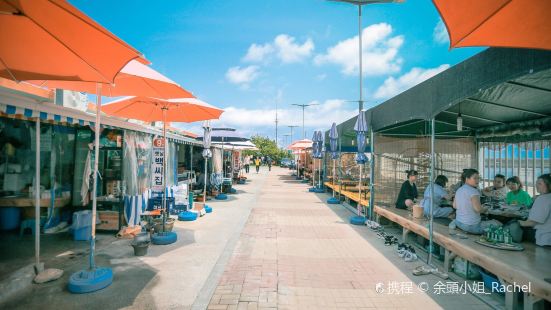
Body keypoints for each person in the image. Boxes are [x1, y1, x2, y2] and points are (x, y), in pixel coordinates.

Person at [452, 169, 501, 234]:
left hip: (459, 222)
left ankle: (453, 223)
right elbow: (478, 209)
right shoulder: (474, 191)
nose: (477, 180)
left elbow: (455, 206)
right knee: (498, 224)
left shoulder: (459, 190)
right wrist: (485, 209)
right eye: (475, 178)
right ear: (467, 179)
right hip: (471, 226)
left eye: (478, 178)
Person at [519, 174, 551, 247]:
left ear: (549, 185)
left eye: (540, 183)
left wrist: (517, 222)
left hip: (545, 238)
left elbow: (532, 222)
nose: (536, 185)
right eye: (536, 183)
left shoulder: (543, 199)